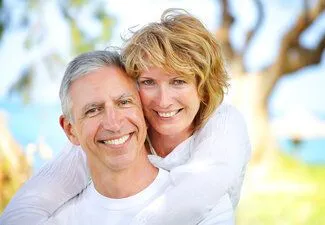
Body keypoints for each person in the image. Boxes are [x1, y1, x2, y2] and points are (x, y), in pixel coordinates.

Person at [0, 9, 250, 225]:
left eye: (178, 82)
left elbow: (196, 197)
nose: (163, 101)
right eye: (148, 82)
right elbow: (27, 207)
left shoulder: (224, 125)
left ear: (204, 87)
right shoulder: (117, 132)